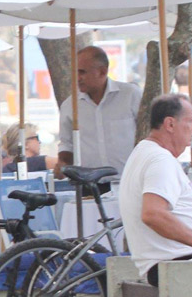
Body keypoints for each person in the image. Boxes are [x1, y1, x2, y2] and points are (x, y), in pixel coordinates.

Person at [118, 94, 192, 287]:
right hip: (178, 265)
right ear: (170, 124)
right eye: (190, 120)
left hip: (172, 263)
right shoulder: (160, 159)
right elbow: (153, 214)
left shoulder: (144, 152)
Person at [57, 46, 142, 190]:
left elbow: (148, 133)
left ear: (102, 72)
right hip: (89, 186)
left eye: (82, 72)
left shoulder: (131, 95)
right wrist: (63, 163)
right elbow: (67, 143)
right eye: (75, 72)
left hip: (129, 183)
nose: (78, 78)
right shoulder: (70, 106)